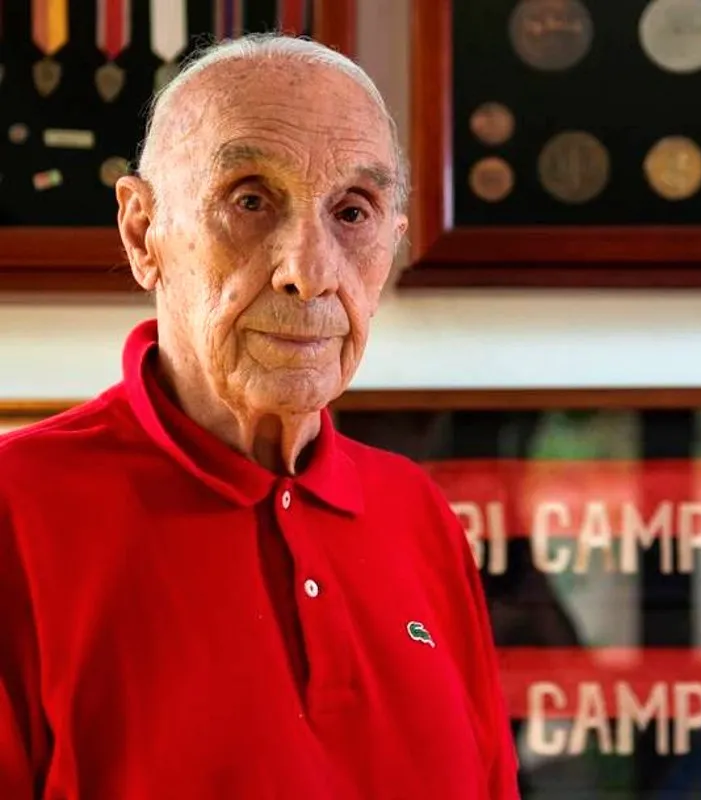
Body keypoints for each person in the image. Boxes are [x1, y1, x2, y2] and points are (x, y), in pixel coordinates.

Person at [0, 34, 520, 799]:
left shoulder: (420, 514)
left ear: (392, 249)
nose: (308, 273)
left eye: (352, 212)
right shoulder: (16, 508)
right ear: (142, 232)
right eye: (249, 200)